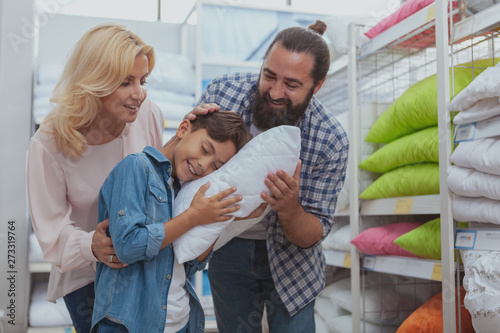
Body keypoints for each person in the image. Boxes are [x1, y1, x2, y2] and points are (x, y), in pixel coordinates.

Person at [193, 20, 349, 332]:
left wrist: (290, 208)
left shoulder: (330, 139)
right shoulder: (222, 94)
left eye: (292, 85)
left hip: (294, 261)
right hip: (229, 245)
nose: (275, 92)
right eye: (269, 76)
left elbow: (313, 232)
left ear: (317, 86)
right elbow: (187, 164)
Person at [26, 23, 180, 333]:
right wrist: (91, 246)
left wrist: (188, 139)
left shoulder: (148, 114)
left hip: (140, 261)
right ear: (95, 82)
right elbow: (51, 231)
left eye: (143, 80)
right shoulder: (49, 143)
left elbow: (157, 180)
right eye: (126, 82)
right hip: (85, 276)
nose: (139, 93)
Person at [91, 111, 251, 333]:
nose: (204, 165)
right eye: (205, 149)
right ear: (183, 128)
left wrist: (218, 221)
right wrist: (193, 217)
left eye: (216, 166)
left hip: (180, 320)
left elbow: (188, 266)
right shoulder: (136, 167)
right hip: (131, 323)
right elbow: (127, 246)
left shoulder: (185, 191)